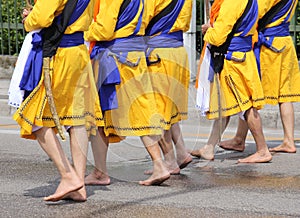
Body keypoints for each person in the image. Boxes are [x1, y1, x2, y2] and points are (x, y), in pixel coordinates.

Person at [14, 0, 102, 202]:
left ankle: (67, 175)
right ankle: (78, 183)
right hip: (78, 52)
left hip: (58, 54)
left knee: (34, 116)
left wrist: (29, 19)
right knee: (76, 117)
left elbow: (43, 17)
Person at [84, 0, 170, 186]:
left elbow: (104, 30)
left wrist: (81, 31)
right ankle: (159, 163)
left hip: (116, 56)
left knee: (100, 114)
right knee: (143, 111)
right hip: (135, 53)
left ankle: (101, 172)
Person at [191, 0, 272, 163]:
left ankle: (263, 150)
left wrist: (208, 31)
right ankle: (209, 147)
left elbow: (218, 37)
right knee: (225, 105)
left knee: (247, 106)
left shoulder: (232, 2)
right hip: (240, 57)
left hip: (234, 60)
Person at [219, 0, 300, 154]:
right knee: (285, 95)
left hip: (269, 45)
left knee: (252, 93)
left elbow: (255, 12)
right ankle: (288, 140)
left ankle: (241, 140)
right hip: (285, 42)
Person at [143, 0, 193, 175]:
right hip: (178, 51)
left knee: (158, 111)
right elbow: (186, 23)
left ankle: (170, 161)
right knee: (168, 109)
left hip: (159, 53)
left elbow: (142, 20)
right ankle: (181, 152)